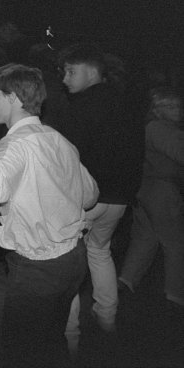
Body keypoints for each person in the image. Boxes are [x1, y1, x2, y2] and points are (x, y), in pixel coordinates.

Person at [0, 65, 99, 368]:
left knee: (21, 351)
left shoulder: (16, 144)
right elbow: (90, 193)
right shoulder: (58, 139)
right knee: (51, 341)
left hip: (39, 269)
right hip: (73, 260)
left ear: (12, 98)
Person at [55, 44, 140, 340]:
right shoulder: (127, 103)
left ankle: (70, 332)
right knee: (100, 251)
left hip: (87, 197)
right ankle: (107, 317)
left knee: (69, 260)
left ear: (91, 72)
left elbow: (68, 157)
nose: (64, 78)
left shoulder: (79, 107)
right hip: (119, 197)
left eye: (70, 71)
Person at [119, 87, 184, 307]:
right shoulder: (162, 129)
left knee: (145, 239)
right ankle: (175, 294)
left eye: (178, 105)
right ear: (158, 109)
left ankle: (126, 281)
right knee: (175, 244)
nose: (178, 110)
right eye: (172, 106)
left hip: (144, 190)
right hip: (163, 191)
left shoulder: (149, 128)